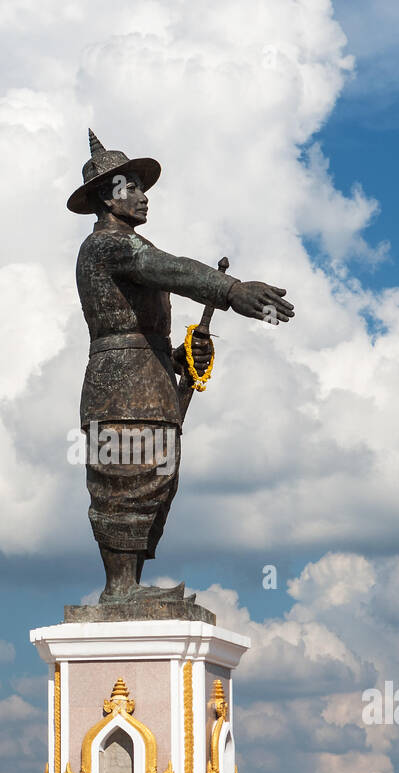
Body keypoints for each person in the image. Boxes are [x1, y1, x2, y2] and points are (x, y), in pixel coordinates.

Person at [68, 131, 294, 605]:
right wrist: (230, 290)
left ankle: (128, 584)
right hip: (121, 385)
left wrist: (177, 359)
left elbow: (154, 297)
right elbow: (171, 268)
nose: (144, 198)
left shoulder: (130, 248)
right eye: (132, 188)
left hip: (146, 379)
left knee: (156, 477)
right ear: (108, 199)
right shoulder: (109, 247)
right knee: (126, 476)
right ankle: (120, 588)